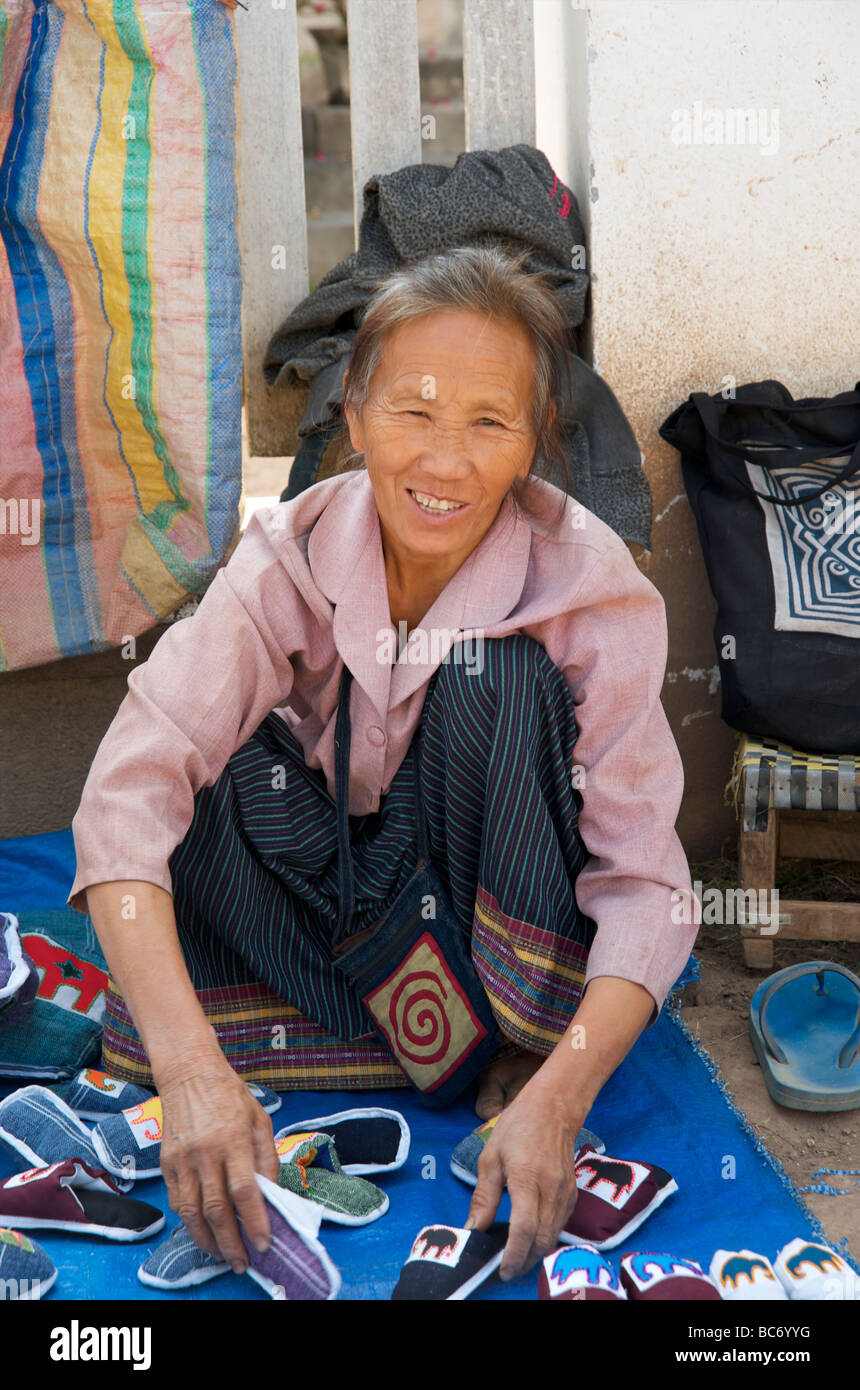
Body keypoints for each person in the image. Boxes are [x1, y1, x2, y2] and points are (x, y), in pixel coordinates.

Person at [67, 245, 698, 1287]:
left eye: (488, 423)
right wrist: (186, 1071)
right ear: (353, 417)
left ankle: (509, 1049)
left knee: (498, 682)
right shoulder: (287, 555)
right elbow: (128, 787)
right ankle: (376, 1051)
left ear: (533, 444)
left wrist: (562, 1099)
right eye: (413, 411)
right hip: (327, 909)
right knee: (222, 771)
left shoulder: (588, 586)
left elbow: (646, 883)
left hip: (472, 901)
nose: (445, 463)